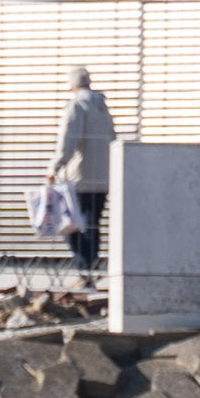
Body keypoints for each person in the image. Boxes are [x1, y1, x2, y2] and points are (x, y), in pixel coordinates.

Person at [47, 66, 114, 275]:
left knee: (72, 226)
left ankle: (83, 268)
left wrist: (54, 167)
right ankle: (91, 269)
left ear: (72, 84)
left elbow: (68, 141)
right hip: (103, 179)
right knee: (92, 225)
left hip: (79, 178)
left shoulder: (76, 106)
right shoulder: (102, 108)